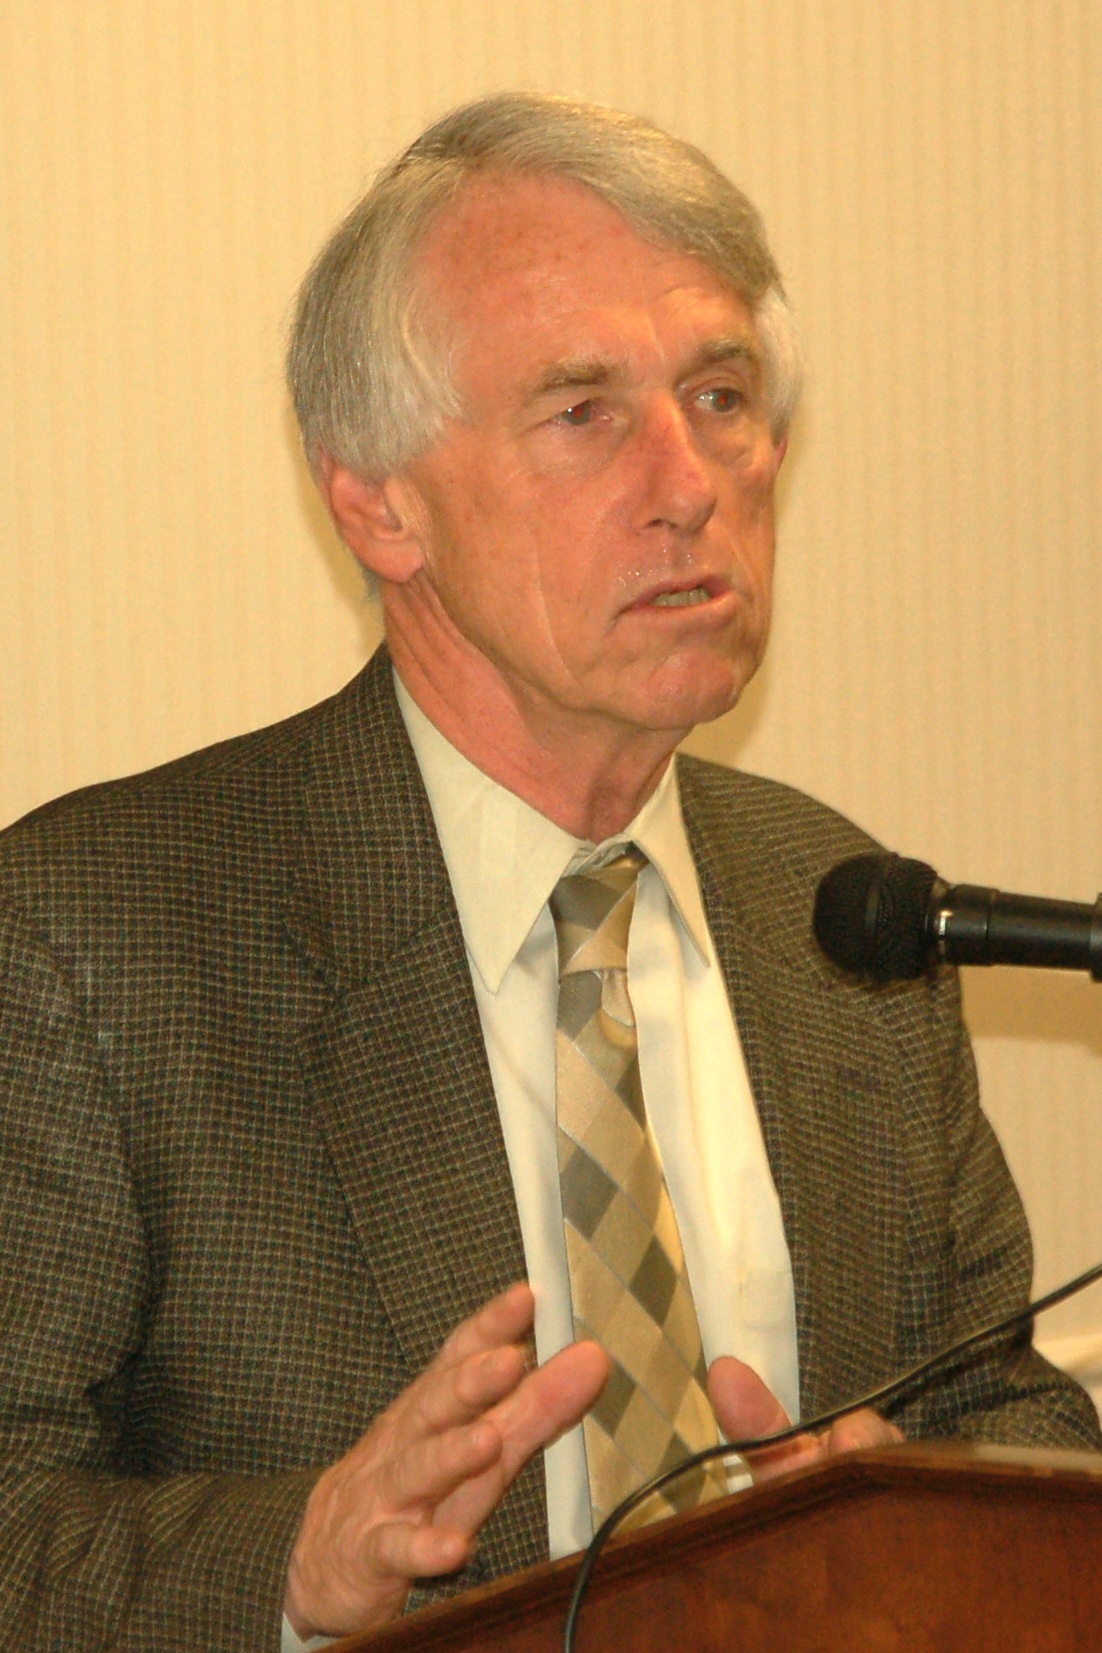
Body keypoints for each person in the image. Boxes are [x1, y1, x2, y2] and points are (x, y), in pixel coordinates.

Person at [0, 92, 1097, 1652]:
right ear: (376, 501)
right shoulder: (94, 936)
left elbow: (1014, 1419)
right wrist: (299, 1563)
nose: (687, 480)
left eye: (719, 395)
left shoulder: (842, 907)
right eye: (581, 411)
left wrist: (913, 1510)